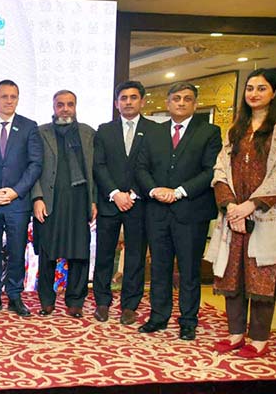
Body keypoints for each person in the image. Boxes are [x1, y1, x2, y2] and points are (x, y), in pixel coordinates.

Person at [206, 69, 276, 357]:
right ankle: (236, 334)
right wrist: (231, 207)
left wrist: (252, 205)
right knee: (232, 274)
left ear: (274, 92)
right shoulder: (239, 126)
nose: (253, 94)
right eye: (250, 88)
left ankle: (259, 339)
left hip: (266, 214)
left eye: (261, 88)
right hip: (235, 215)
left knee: (262, 275)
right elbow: (221, 169)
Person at [136, 82, 221, 341]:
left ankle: (188, 320)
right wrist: (153, 191)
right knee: (159, 267)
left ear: (195, 104)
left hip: (191, 211)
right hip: (157, 210)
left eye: (187, 99)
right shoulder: (154, 132)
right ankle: (159, 317)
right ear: (168, 102)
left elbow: (210, 171)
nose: (181, 103)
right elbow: (141, 168)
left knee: (188, 269)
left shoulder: (209, 132)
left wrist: (180, 191)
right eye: (176, 98)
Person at [92, 81, 156, 325]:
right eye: (123, 98)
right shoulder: (105, 130)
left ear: (142, 101)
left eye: (133, 97)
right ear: (117, 102)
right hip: (110, 202)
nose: (128, 102)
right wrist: (115, 193)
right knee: (104, 254)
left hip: (139, 203)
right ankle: (102, 302)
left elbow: (153, 166)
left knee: (135, 256)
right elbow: (99, 165)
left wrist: (133, 193)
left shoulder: (153, 130)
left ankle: (130, 304)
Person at [31, 90, 96, 318]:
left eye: (69, 104)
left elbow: (94, 171)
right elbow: (33, 169)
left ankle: (75, 301)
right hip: (50, 201)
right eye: (60, 104)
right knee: (48, 253)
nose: (65, 109)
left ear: (75, 106)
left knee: (79, 253)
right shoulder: (40, 133)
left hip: (79, 201)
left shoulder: (88, 133)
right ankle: (46, 301)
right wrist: (36, 198)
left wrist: (94, 200)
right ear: (53, 106)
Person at [0, 79, 42, 317]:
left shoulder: (29, 126)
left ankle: (15, 296)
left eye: (13, 97)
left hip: (18, 202)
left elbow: (35, 164)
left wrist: (16, 191)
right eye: (4, 96)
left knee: (17, 249)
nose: (8, 101)